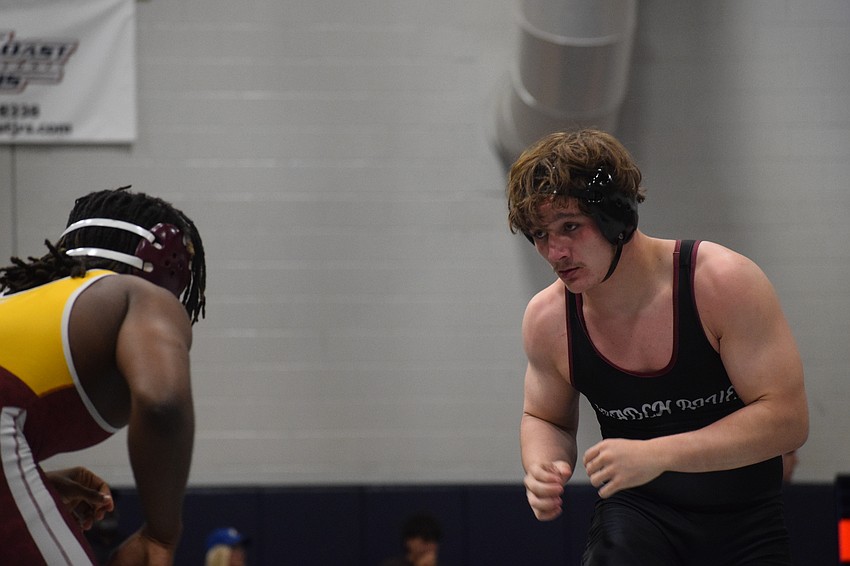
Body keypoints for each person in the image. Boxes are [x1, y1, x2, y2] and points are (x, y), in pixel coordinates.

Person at [507, 129, 808, 564]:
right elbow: (544, 417)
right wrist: (541, 464)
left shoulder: (719, 283)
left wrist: (660, 453)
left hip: (744, 519)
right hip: (637, 515)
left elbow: (788, 421)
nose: (554, 251)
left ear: (618, 215)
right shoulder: (548, 320)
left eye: (569, 226)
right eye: (538, 234)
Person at [0, 186, 206, 565]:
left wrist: (34, 483)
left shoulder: (21, 301)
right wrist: (161, 533)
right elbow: (163, 404)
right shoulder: (141, 296)